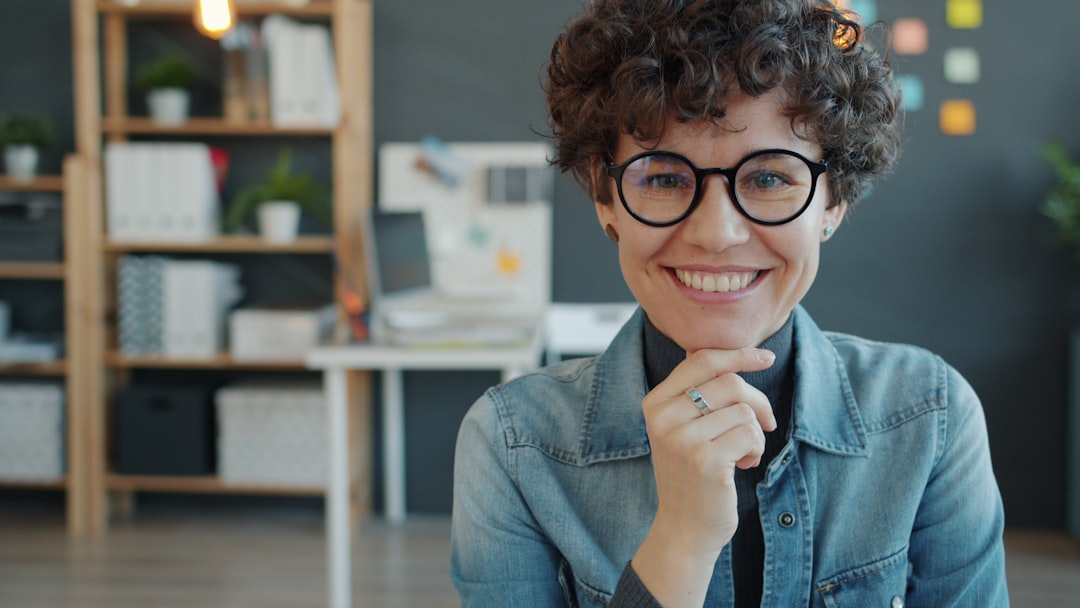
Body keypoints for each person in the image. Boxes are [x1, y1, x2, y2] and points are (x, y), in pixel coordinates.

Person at [450, 0, 1008, 606]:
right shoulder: (514, 446)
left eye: (769, 178)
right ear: (605, 198)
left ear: (834, 201)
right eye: (663, 178)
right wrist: (682, 541)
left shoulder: (928, 418)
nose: (717, 234)